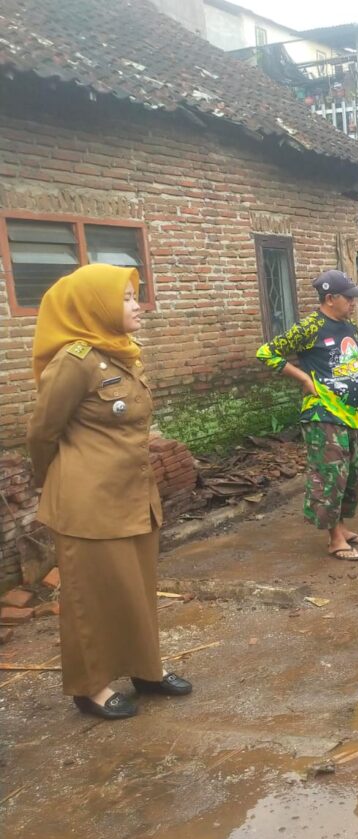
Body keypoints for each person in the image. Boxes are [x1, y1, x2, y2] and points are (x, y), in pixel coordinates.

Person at [27, 264, 192, 720]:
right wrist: (62, 484)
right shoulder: (73, 362)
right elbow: (42, 435)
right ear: (94, 307)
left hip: (134, 495)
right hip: (89, 503)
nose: (136, 304)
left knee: (136, 590)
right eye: (123, 298)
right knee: (91, 597)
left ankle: (146, 669)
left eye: (132, 296)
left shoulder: (121, 354)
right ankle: (90, 687)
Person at [256, 269, 358, 561]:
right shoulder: (310, 327)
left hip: (351, 414)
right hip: (324, 414)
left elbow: (356, 365)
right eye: (348, 298)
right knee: (329, 476)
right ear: (330, 298)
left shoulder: (349, 327)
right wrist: (304, 379)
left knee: (351, 475)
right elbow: (267, 353)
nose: (353, 303)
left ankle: (342, 527)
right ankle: (333, 539)